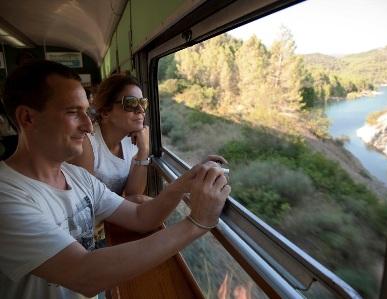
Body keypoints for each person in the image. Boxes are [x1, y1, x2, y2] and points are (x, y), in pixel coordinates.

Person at [0, 60, 230, 299]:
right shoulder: (6, 196)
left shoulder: (78, 178)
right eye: (72, 112)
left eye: (86, 112)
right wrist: (196, 223)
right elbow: (84, 274)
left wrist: (189, 179)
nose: (89, 126)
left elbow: (142, 217)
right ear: (27, 118)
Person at [69, 74, 149, 199]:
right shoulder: (87, 143)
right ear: (106, 112)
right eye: (131, 103)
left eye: (142, 103)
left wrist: (144, 151)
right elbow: (86, 201)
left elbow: (134, 193)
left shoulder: (132, 141)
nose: (141, 110)